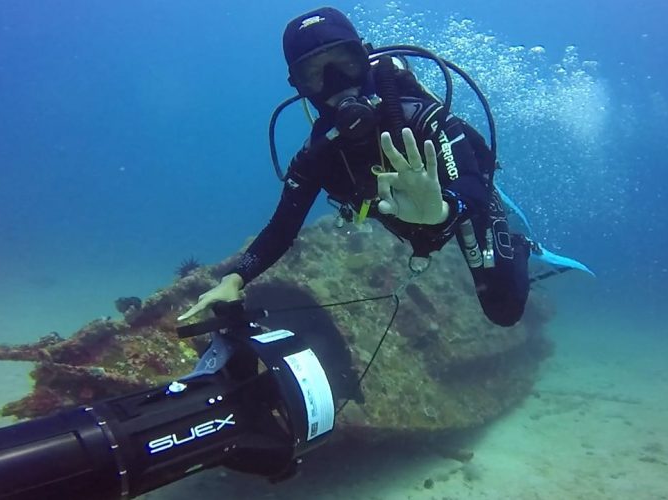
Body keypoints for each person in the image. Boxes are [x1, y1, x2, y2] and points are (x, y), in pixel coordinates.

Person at [179, 7, 533, 327]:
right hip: (419, 220)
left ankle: (520, 243)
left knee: (504, 310)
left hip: (459, 203)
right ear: (299, 87)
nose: (336, 82)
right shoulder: (318, 155)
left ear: (364, 57)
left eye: (345, 62)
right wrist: (235, 278)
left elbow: (473, 182)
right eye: (314, 74)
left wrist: (443, 209)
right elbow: (281, 229)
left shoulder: (422, 118)